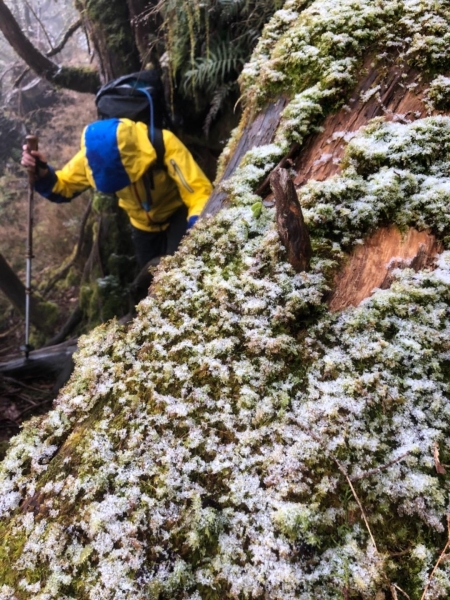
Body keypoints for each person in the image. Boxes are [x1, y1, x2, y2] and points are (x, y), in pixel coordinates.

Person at [21, 117, 213, 299]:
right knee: (153, 282)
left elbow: (197, 191)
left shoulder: (163, 144)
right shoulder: (93, 157)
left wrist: (195, 226)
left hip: (177, 214)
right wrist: (43, 173)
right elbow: (63, 187)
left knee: (183, 274)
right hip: (141, 226)